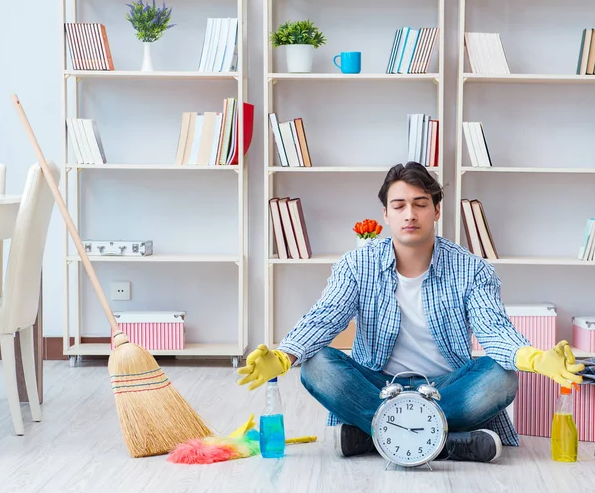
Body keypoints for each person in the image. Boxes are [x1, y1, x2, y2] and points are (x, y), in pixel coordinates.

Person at [237, 162, 584, 462]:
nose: (410, 214)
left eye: (420, 204)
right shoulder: (357, 264)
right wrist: (285, 354)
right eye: (399, 205)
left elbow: (493, 329)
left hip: (447, 388)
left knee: (501, 376)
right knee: (317, 365)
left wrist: (536, 359)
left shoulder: (472, 268)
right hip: (378, 386)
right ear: (385, 214)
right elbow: (327, 315)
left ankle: (377, 437)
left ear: (435, 210)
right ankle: (446, 442)